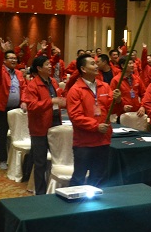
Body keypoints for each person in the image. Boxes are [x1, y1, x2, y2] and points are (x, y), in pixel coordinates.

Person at [67, 54, 121, 187]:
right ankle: (74, 200)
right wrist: (96, 126)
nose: (96, 66)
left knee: (99, 177)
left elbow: (113, 109)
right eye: (92, 64)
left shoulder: (104, 86)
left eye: (96, 63)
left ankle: (95, 200)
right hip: (84, 142)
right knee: (79, 178)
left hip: (103, 139)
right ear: (83, 69)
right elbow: (75, 116)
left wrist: (118, 100)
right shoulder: (75, 90)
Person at [22, 56, 65, 194]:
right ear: (39, 68)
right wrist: (50, 102)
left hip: (55, 123)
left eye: (50, 64)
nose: (50, 66)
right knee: (40, 162)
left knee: (57, 159)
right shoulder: (33, 85)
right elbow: (32, 106)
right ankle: (40, 192)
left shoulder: (53, 82)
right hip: (39, 128)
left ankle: (55, 190)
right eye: (47, 64)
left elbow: (58, 99)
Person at [0, 39, 26, 170]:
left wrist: (24, 101)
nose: (14, 60)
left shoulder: (19, 73)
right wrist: (1, 53)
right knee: (2, 133)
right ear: (4, 60)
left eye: (15, 58)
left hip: (16, 108)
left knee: (17, 133)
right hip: (2, 108)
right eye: (11, 58)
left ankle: (15, 160)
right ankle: (3, 159)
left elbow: (24, 88)